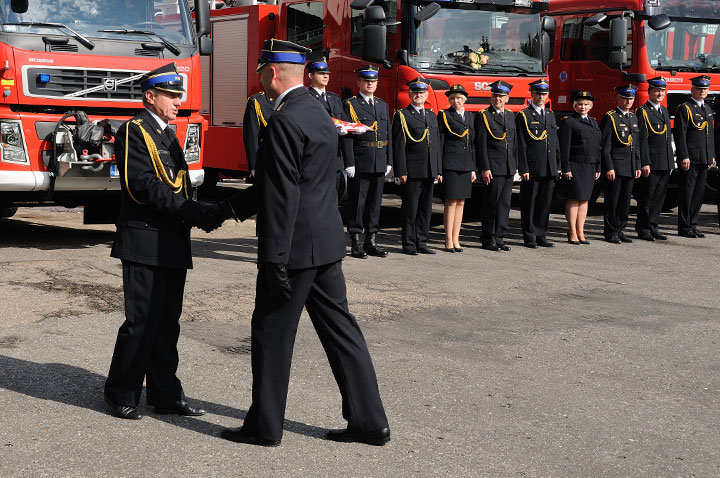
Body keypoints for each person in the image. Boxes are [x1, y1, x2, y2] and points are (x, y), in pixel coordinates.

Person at [220, 39, 390, 447]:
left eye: (261, 72)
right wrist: (227, 209)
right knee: (342, 333)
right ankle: (370, 421)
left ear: (273, 73)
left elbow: (282, 196)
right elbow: (323, 181)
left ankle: (265, 426)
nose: (259, 79)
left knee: (271, 334)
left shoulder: (281, 120)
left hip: (294, 250)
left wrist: (273, 259)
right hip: (327, 244)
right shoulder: (318, 110)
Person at [104, 63, 220, 420]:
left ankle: (165, 394)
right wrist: (192, 211)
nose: (176, 101)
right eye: (170, 95)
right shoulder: (134, 131)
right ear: (150, 97)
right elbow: (143, 186)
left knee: (168, 323)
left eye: (178, 95)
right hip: (144, 240)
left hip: (171, 240)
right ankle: (120, 393)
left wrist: (199, 210)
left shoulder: (168, 134)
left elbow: (180, 183)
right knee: (141, 321)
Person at [342, 66, 392, 258]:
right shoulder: (351, 105)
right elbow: (346, 135)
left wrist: (389, 159)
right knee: (358, 203)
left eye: (373, 81)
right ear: (359, 83)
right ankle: (355, 241)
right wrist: (349, 162)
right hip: (361, 159)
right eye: (366, 81)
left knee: (374, 203)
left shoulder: (382, 104)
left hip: (379, 159)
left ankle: (371, 240)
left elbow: (388, 132)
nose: (370, 84)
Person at [392, 77, 442, 255]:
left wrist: (438, 169)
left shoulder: (431, 115)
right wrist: (401, 170)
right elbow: (398, 146)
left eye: (421, 93)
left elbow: (436, 144)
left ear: (427, 95)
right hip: (412, 170)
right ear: (410, 94)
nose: (418, 95)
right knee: (410, 208)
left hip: (429, 169)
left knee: (426, 209)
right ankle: (409, 243)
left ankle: (422, 241)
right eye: (415, 92)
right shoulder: (403, 115)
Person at [516, 79, 560, 248]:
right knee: (530, 203)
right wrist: (523, 167)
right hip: (533, 166)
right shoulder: (524, 115)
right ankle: (529, 236)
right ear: (532, 94)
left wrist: (557, 165)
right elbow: (521, 144)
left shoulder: (549, 114)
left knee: (544, 202)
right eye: (538, 94)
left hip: (549, 166)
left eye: (544, 94)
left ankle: (541, 234)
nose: (541, 97)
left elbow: (554, 142)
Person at [475, 80, 517, 251]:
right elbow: (481, 144)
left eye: (501, 96)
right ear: (491, 97)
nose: (498, 99)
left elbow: (514, 144)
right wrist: (484, 167)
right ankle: (488, 238)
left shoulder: (510, 115)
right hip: (493, 167)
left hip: (507, 167)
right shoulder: (484, 115)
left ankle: (500, 237)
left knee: (504, 205)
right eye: (495, 96)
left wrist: (516, 166)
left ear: (507, 98)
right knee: (491, 204)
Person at [674, 75, 716, 238]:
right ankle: (684, 227)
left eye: (705, 89)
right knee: (687, 193)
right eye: (699, 88)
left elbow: (710, 135)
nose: (702, 91)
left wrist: (711, 155)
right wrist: (684, 156)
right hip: (690, 158)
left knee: (699, 194)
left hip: (704, 157)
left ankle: (693, 224)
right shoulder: (686, 108)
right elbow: (680, 135)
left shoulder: (707, 109)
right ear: (692, 90)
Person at [558, 91, 601, 245]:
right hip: (575, 165)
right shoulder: (569, 122)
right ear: (574, 106)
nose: (583, 107)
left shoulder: (593, 122)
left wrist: (598, 167)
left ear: (591, 106)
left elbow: (597, 147)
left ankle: (581, 230)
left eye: (586, 104)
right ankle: (572, 231)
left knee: (584, 199)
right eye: (580, 104)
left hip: (589, 166)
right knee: (574, 198)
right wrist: (565, 168)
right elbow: (564, 147)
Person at [600, 85, 642, 244]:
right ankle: (610, 231)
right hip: (616, 166)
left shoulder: (633, 118)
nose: (628, 101)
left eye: (631, 98)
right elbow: (606, 146)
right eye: (625, 98)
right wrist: (609, 166)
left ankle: (621, 228)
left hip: (630, 166)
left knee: (625, 201)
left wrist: (637, 164)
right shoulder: (611, 117)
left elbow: (636, 144)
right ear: (618, 98)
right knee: (613, 200)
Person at [437, 84, 476, 252]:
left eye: (459, 98)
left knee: (461, 202)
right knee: (451, 202)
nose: (455, 101)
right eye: (452, 98)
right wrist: (439, 169)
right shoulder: (445, 115)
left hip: (466, 164)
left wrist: (473, 168)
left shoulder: (469, 117)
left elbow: (472, 143)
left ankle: (456, 238)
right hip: (451, 163)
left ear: (464, 99)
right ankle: (448, 239)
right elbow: (440, 143)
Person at [635, 76, 674, 241]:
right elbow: (642, 140)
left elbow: (668, 138)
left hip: (664, 161)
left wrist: (671, 161)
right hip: (651, 161)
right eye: (657, 90)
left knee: (659, 197)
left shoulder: (664, 110)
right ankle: (643, 229)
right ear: (650, 92)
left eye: (662, 91)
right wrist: (645, 162)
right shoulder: (643, 111)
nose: (660, 94)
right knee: (647, 197)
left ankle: (653, 226)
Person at [306, 57, 347, 175]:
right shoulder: (306, 97)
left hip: (336, 158)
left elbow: (343, 121)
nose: (325, 76)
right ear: (310, 75)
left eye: (327, 73)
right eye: (321, 73)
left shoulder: (334, 98)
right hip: (316, 156)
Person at [242, 90, 274, 180]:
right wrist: (254, 167)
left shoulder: (296, 100)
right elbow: (251, 136)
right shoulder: (259, 102)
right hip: (268, 164)